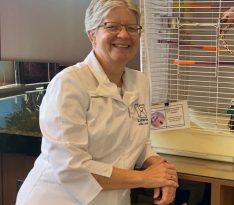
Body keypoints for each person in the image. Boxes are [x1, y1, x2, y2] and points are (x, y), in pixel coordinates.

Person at [16, 0, 178, 204]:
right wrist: (145, 178)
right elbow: (72, 167)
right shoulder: (70, 84)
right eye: (112, 26)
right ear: (92, 35)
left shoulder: (140, 82)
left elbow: (137, 142)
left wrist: (160, 168)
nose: (124, 34)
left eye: (131, 27)